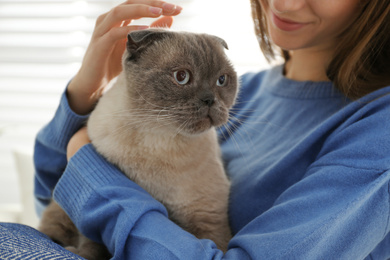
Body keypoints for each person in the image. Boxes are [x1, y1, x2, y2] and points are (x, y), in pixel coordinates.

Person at [1, 0, 390, 259]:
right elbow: (55, 202)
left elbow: (87, 190)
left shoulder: (378, 129)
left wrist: (86, 168)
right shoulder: (242, 92)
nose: (286, 3)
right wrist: (84, 93)